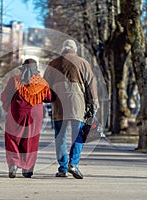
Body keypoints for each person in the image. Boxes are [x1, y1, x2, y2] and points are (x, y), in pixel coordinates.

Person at [44, 39, 99, 179]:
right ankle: (73, 164)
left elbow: (45, 87)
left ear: (63, 49)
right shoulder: (83, 63)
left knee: (60, 137)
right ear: (75, 49)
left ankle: (62, 168)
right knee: (78, 135)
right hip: (78, 105)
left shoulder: (53, 64)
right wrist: (94, 104)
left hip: (59, 105)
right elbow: (91, 86)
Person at [1, 58, 51, 178]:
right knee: (31, 140)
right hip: (35, 114)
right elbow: (49, 98)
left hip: (17, 112)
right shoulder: (42, 82)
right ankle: (27, 167)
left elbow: (5, 96)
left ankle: (13, 164)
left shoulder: (15, 80)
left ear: (22, 68)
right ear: (36, 70)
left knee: (12, 137)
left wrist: (8, 107)